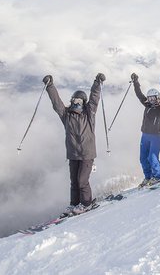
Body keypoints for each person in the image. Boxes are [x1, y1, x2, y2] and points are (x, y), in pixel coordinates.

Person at [42, 72, 106, 216]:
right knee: (74, 182)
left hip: (87, 154)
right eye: (75, 101)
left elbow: (94, 99)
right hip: (73, 154)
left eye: (80, 101)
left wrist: (97, 82)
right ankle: (74, 204)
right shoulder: (66, 115)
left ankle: (86, 203)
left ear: (84, 103)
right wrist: (50, 85)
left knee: (82, 180)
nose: (77, 103)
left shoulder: (89, 114)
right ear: (71, 101)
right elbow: (56, 102)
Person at [131, 73, 160, 187]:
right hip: (145, 135)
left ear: (158, 98)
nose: (152, 100)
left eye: (154, 98)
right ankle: (148, 177)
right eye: (150, 98)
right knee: (143, 158)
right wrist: (135, 81)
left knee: (152, 157)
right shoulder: (147, 105)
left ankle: (157, 176)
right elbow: (139, 94)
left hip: (157, 135)